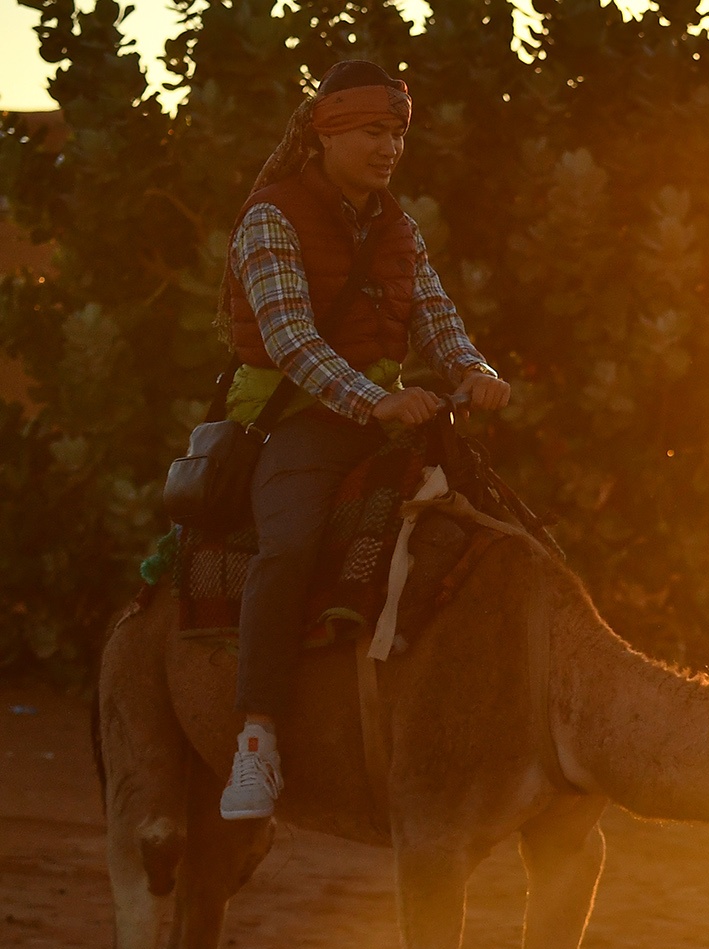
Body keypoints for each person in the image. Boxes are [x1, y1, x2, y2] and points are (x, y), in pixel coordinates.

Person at [215, 60, 511, 821]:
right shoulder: (270, 217)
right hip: (298, 419)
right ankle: (257, 744)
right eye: (375, 131)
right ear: (329, 129)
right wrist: (375, 399)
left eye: (399, 133)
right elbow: (288, 338)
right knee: (288, 546)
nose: (390, 148)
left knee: (502, 535)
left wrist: (474, 370)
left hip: (391, 412)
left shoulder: (398, 227)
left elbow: (438, 320)